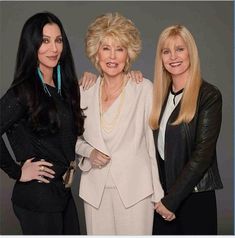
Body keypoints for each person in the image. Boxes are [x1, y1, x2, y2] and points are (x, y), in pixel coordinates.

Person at [75, 12, 164, 235]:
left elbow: (150, 144)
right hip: (95, 189)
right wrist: (89, 152)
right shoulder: (84, 91)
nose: (112, 56)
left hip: (135, 189)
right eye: (106, 48)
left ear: (128, 54)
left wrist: (158, 191)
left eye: (120, 48)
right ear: (96, 52)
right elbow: (71, 138)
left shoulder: (143, 88)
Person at [0, 12, 84, 235]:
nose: (54, 48)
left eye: (58, 40)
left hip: (62, 193)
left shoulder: (64, 88)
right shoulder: (23, 91)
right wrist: (17, 172)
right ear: (32, 45)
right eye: (45, 41)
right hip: (37, 197)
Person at [150, 24, 223, 235]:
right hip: (163, 199)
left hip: (194, 197)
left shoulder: (208, 96)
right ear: (161, 58)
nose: (173, 56)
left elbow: (202, 156)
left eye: (180, 49)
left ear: (191, 52)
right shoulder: (158, 98)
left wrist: (171, 201)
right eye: (166, 51)